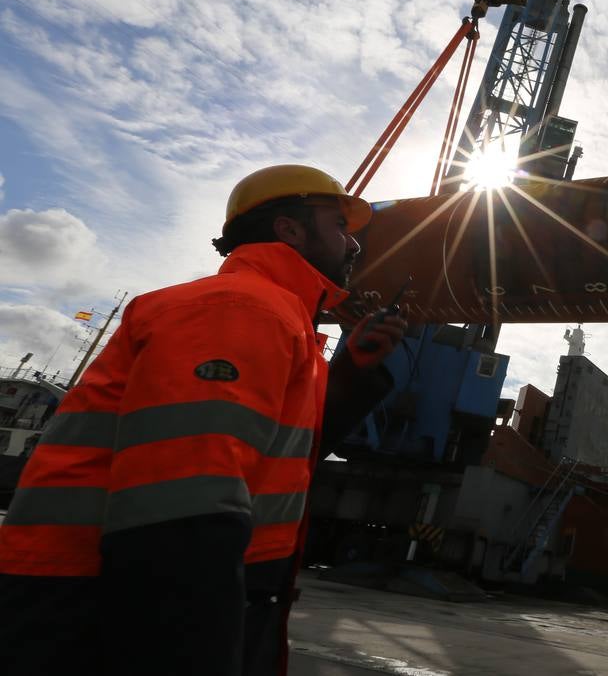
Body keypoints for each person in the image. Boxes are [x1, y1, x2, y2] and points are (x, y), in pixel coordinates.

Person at [0, 164, 407, 675]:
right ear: (289, 229)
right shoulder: (241, 309)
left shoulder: (277, 318)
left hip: (122, 592)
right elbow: (182, 509)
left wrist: (351, 373)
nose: (353, 245)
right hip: (103, 606)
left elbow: (275, 459)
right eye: (340, 227)